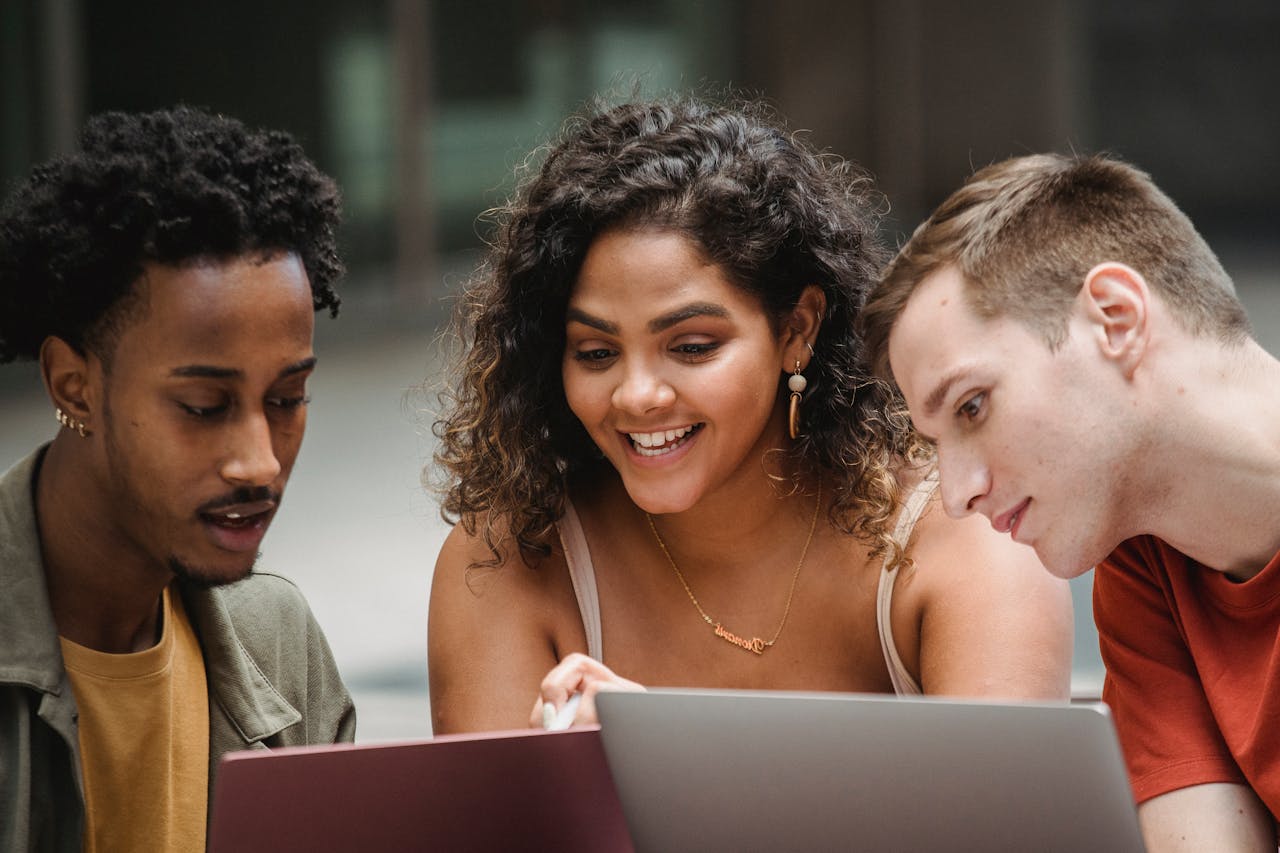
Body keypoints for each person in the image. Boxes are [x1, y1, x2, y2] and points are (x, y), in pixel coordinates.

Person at [427, 96, 1073, 736]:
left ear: (796, 329)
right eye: (596, 353)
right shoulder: (508, 561)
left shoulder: (961, 537)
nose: (637, 394)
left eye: (691, 347)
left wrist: (671, 756)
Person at [858, 152, 1280, 851]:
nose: (958, 494)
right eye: (933, 443)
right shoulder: (1145, 570)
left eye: (972, 406)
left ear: (1115, 318)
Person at [0, 106, 356, 853]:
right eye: (203, 406)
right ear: (74, 385)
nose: (259, 461)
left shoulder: (279, 642)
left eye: (287, 399)